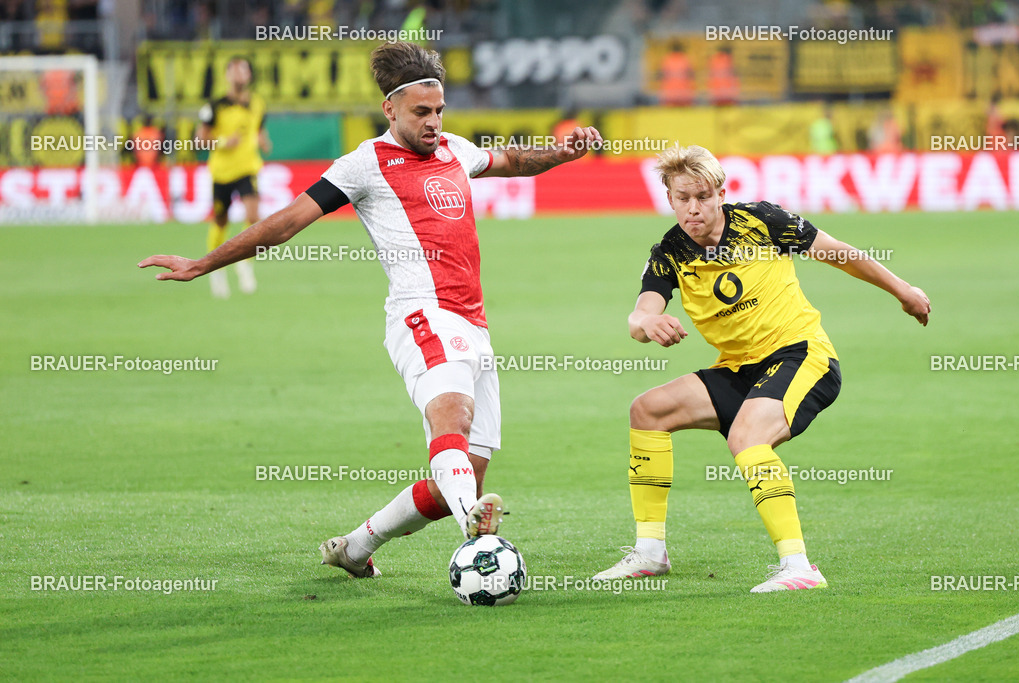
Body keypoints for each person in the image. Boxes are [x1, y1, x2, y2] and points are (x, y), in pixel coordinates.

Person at [139, 41, 602, 578]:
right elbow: (287, 222)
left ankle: (354, 549)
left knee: (459, 479)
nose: (433, 122)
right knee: (450, 421)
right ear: (391, 110)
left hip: (474, 323)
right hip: (421, 315)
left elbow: (513, 161)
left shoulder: (453, 148)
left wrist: (564, 152)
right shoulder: (365, 165)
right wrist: (204, 263)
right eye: (421, 113)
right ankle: (478, 549)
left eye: (439, 110)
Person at [593, 144, 930, 592]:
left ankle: (799, 567)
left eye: (702, 196)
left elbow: (839, 252)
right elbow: (640, 314)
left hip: (801, 355)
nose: (693, 209)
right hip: (739, 369)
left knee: (746, 439)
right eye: (682, 199)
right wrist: (647, 321)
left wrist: (902, 290)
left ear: (720, 193)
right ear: (669, 199)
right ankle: (650, 553)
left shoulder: (762, 221)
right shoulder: (669, 252)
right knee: (647, 410)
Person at [195, 57, 271, 298]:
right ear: (228, 75)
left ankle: (245, 264)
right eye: (235, 70)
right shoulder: (214, 107)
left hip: (248, 168)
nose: (240, 74)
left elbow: (257, 127)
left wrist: (262, 139)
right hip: (222, 172)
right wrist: (224, 142)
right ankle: (216, 270)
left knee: (254, 217)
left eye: (244, 69)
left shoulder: (257, 103)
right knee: (220, 220)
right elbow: (199, 139)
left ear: (249, 75)